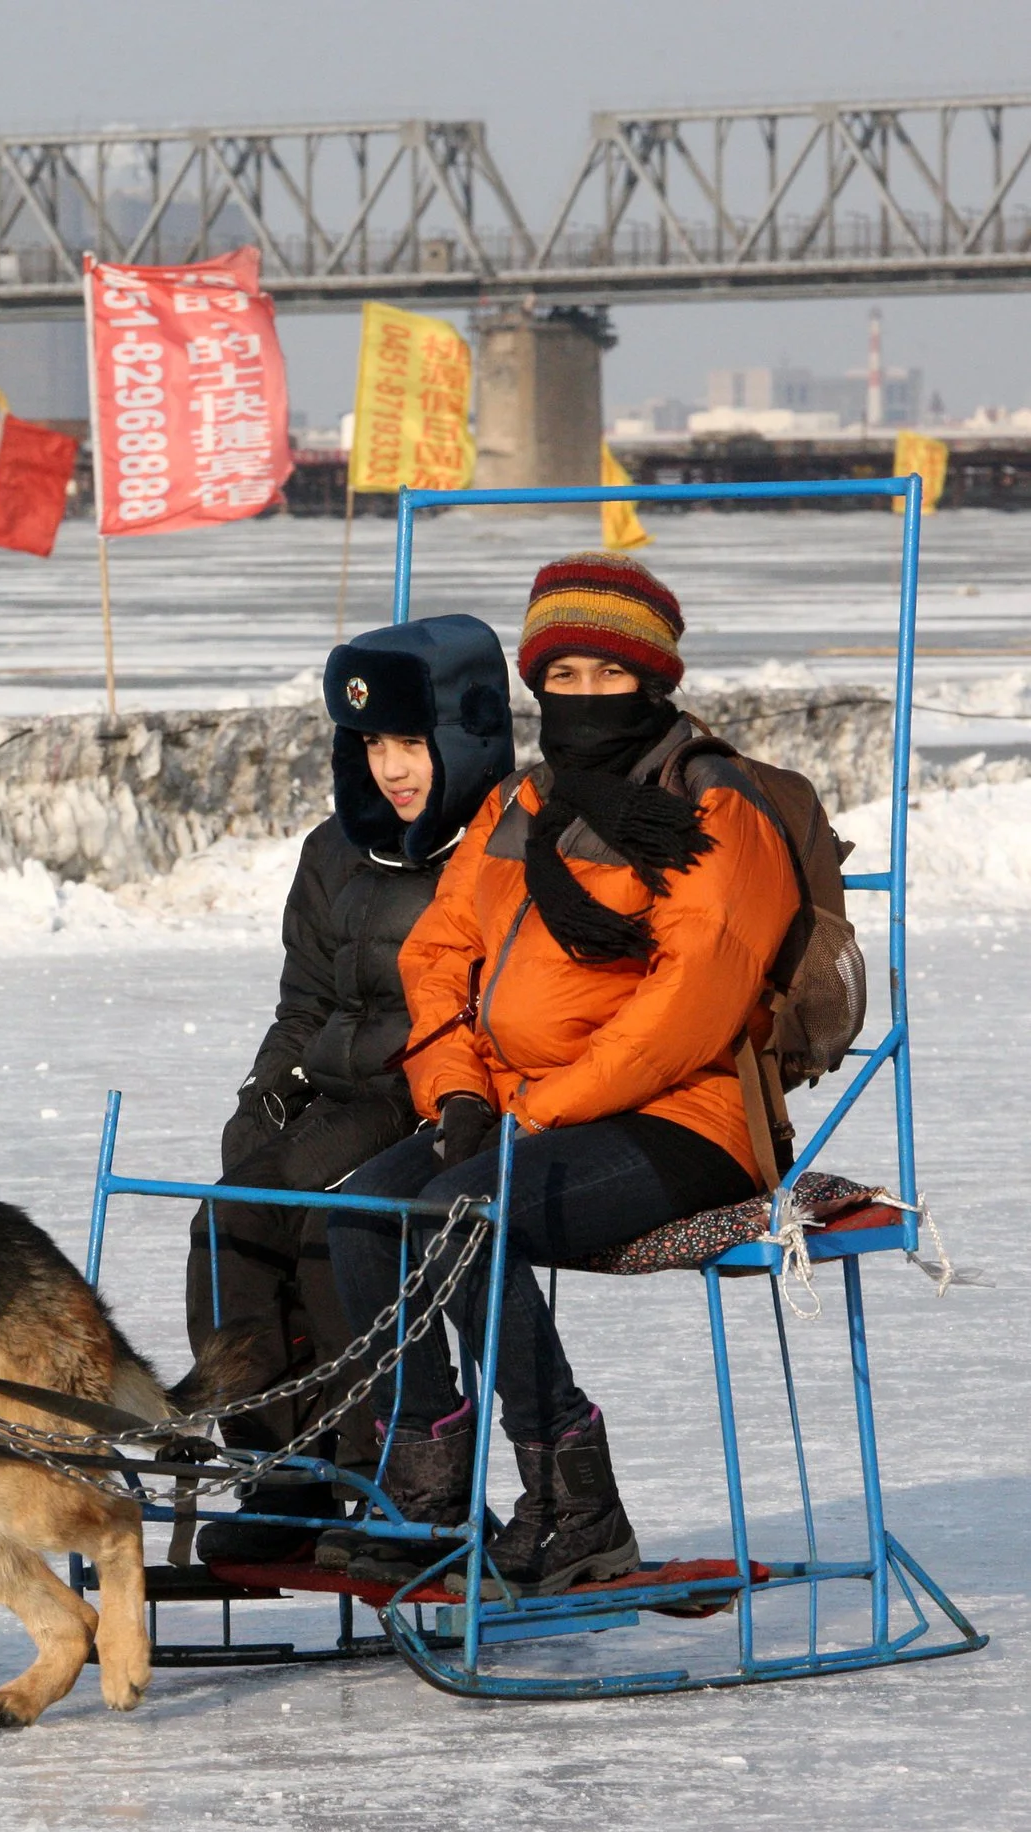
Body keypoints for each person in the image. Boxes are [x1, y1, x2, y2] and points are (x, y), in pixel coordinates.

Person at [321, 552, 802, 1597]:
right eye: (562, 675)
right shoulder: (521, 806)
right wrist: (453, 1088)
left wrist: (542, 1107)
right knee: (361, 1210)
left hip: (681, 1122)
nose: (582, 697)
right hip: (515, 1107)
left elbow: (690, 1006)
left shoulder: (713, 808)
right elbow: (437, 956)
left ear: (655, 680)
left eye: (608, 674)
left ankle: (576, 1505)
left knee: (463, 1218)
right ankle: (428, 1487)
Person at [186, 612, 514, 1565]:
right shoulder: (336, 850)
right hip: (339, 1093)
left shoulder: (499, 845)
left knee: (337, 1222)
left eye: (412, 742)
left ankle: (383, 1473)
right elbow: (304, 1001)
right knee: (227, 1221)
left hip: (436, 1097)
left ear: (463, 732)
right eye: (372, 744)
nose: (393, 768)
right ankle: (283, 1473)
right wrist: (263, 1095)